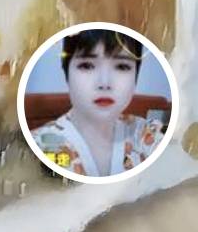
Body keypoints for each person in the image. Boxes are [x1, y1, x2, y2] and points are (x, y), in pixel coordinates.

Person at [28, 27, 167, 178]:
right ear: (67, 73)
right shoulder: (36, 147)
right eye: (87, 65)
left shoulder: (146, 134)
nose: (104, 83)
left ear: (135, 77)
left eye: (121, 66)